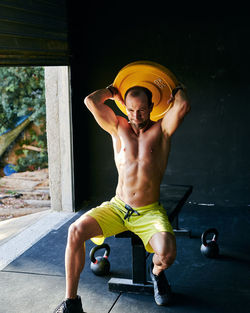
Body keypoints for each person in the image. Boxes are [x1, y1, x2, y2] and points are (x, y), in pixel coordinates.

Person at [53, 82, 190, 313]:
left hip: (148, 211)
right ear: (124, 107)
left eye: (142, 109)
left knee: (166, 253)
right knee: (75, 231)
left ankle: (156, 274)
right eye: (130, 109)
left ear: (152, 106)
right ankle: (71, 303)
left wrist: (175, 89)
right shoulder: (117, 127)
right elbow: (90, 101)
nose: (136, 116)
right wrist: (110, 91)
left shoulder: (162, 130)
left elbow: (183, 105)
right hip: (118, 207)